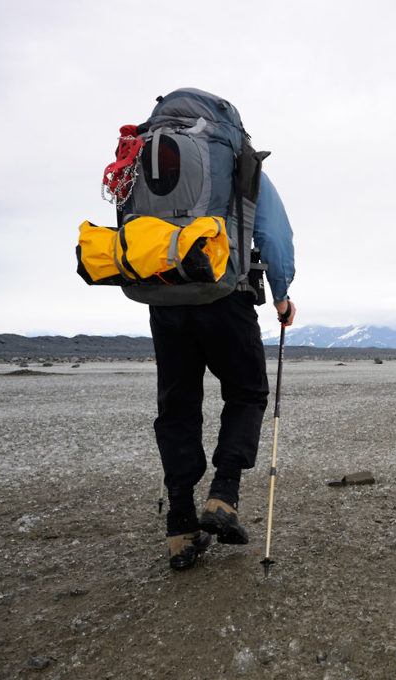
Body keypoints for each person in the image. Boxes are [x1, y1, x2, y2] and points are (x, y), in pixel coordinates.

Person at [156, 172, 297, 571]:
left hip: (164, 297)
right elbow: (273, 234)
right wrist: (282, 295)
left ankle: (180, 529)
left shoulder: (151, 161)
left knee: (177, 405)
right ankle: (223, 496)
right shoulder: (240, 164)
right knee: (247, 392)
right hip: (225, 292)